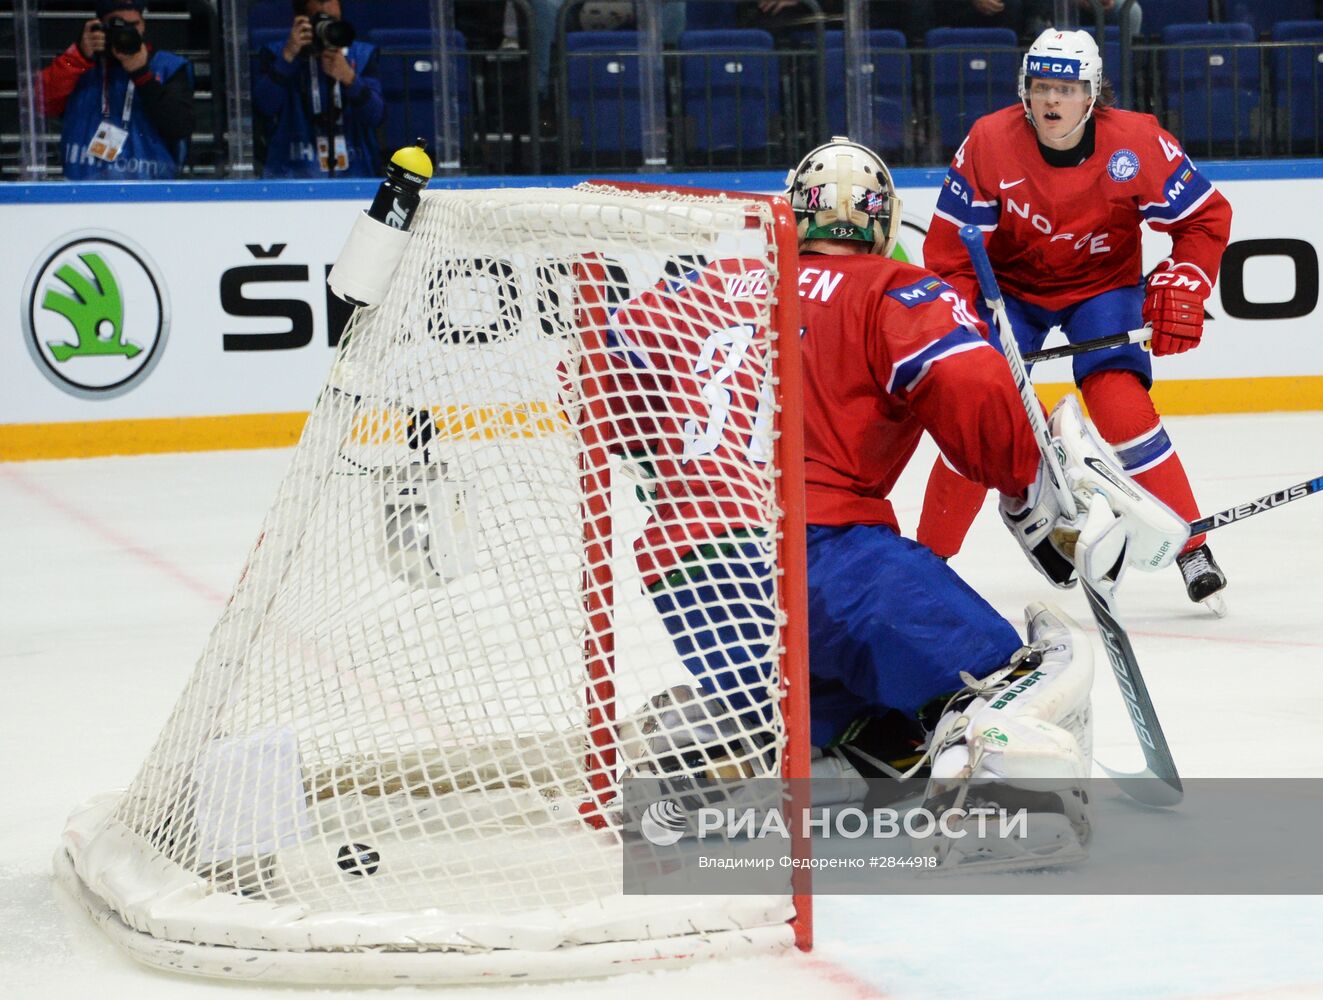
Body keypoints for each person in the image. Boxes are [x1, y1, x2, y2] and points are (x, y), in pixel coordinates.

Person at [596, 138, 1188, 868]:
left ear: (790, 209)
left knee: (886, 737)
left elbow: (599, 384)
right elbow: (975, 398)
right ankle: (1005, 817)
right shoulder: (894, 290)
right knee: (1016, 674)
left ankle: (735, 755)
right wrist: (1032, 484)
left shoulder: (700, 288)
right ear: (881, 222)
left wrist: (675, 477)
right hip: (825, 559)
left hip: (687, 575)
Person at [916, 28, 1233, 613]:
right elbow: (949, 256)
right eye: (1040, 87)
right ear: (1024, 91)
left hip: (1101, 289)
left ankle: (1192, 545)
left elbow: (1205, 219)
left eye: (1066, 88)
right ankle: (927, 563)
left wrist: (1188, 275)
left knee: (1120, 403)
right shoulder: (989, 143)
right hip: (1009, 294)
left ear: (1093, 94)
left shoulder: (1136, 142)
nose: (1052, 102)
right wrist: (963, 318)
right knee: (981, 415)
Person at [38, 0, 194, 181]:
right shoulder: (79, 65)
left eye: (134, 24)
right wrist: (78, 56)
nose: (126, 32)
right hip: (81, 190)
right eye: (118, 25)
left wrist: (142, 75)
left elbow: (180, 127)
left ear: (143, 25)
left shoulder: (167, 67)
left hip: (151, 192)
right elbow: (40, 105)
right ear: (100, 27)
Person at [253, 0, 384, 178]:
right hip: (290, 172)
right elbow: (264, 107)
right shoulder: (276, 53)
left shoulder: (362, 55)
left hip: (355, 171)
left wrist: (350, 79)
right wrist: (288, 58)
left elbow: (376, 116)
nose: (327, 29)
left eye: (334, 21)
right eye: (320, 21)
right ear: (301, 21)